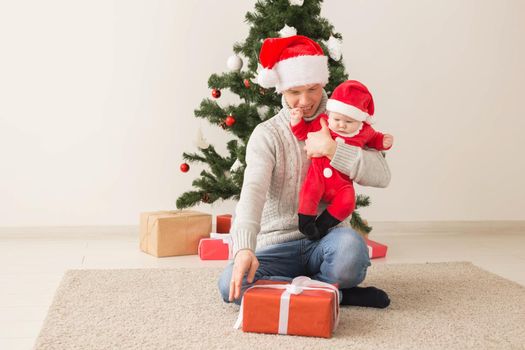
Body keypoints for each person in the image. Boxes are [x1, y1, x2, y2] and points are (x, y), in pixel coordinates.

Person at [218, 35, 391, 308]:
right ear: (281, 90)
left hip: (324, 240)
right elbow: (252, 192)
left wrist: (334, 150)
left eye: (312, 89)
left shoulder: (345, 122)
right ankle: (334, 294)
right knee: (230, 286)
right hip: (275, 246)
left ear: (323, 83)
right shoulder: (268, 134)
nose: (304, 100)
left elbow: (382, 175)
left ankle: (307, 290)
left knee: (351, 250)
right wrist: (243, 249)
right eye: (294, 92)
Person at [290, 79, 394, 240]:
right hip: (318, 176)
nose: (341, 125)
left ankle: (323, 225)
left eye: (348, 122)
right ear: (330, 114)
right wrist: (297, 122)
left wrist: (383, 141)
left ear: (360, 121)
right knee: (309, 193)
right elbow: (304, 132)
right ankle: (306, 222)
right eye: (337, 120)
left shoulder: (364, 131)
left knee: (348, 201)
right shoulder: (322, 122)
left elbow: (375, 139)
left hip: (342, 183)